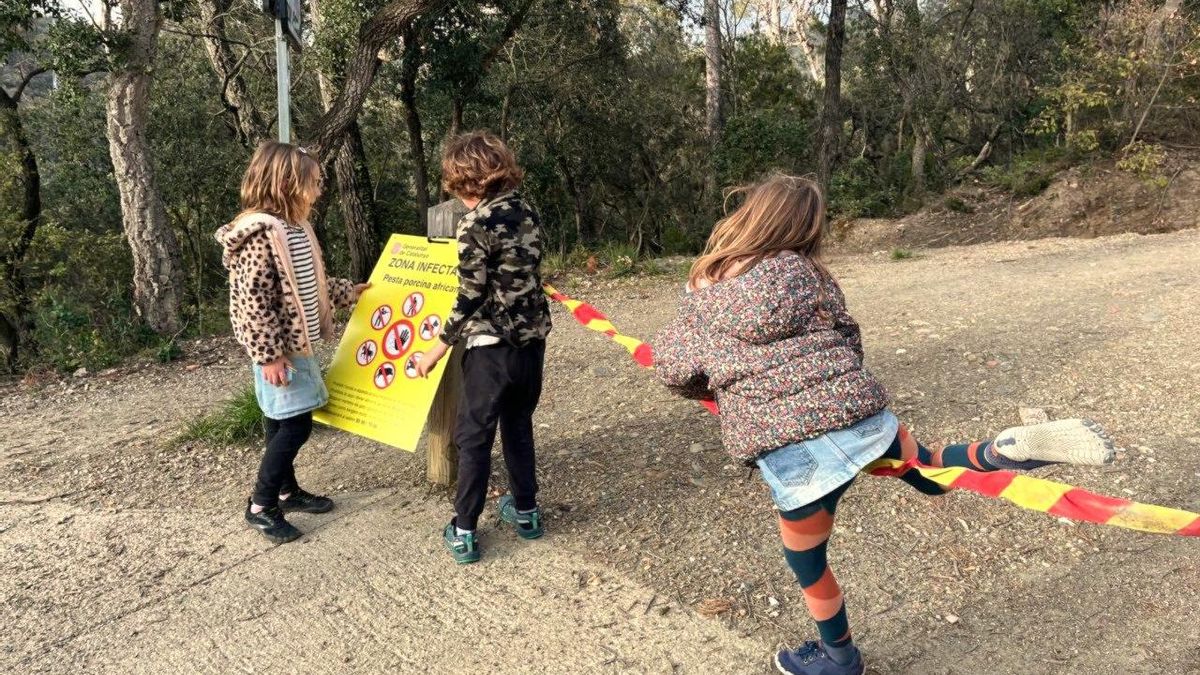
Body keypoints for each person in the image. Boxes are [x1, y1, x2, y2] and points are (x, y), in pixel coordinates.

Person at [650, 174, 1115, 675]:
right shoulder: (812, 276)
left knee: (808, 565)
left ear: (748, 216)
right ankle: (1002, 451)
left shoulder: (704, 288)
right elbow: (849, 338)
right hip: (863, 415)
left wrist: (713, 388)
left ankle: (839, 660)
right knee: (930, 470)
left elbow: (674, 369)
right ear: (805, 228)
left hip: (795, 450)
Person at [216, 141, 369, 544]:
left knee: (279, 422)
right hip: (279, 352)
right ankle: (261, 505)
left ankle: (286, 491)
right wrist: (269, 356)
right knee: (296, 426)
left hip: (293, 347)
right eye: (314, 183)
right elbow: (253, 301)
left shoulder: (297, 228)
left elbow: (307, 284)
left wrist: (346, 292)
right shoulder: (260, 234)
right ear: (287, 183)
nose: (319, 190)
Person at [416, 130, 552, 564]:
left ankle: (465, 528)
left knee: (473, 435)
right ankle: (527, 511)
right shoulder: (526, 209)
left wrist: (437, 347)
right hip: (531, 342)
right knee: (518, 425)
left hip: (490, 347)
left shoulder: (474, 223)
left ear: (467, 181)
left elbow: (470, 293)